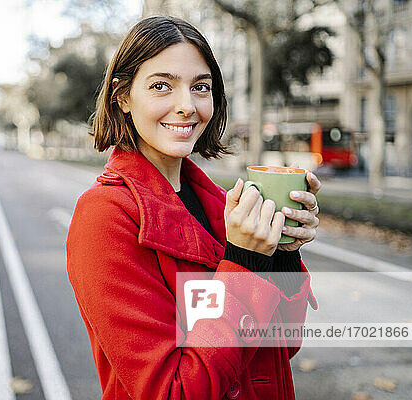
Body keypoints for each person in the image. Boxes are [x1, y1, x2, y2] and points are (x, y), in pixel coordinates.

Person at [66, 16, 321, 400]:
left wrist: (282, 252)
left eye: (200, 87)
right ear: (123, 97)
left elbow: (279, 348)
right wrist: (246, 262)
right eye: (161, 86)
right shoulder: (104, 217)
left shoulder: (219, 204)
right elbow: (174, 392)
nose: (186, 106)